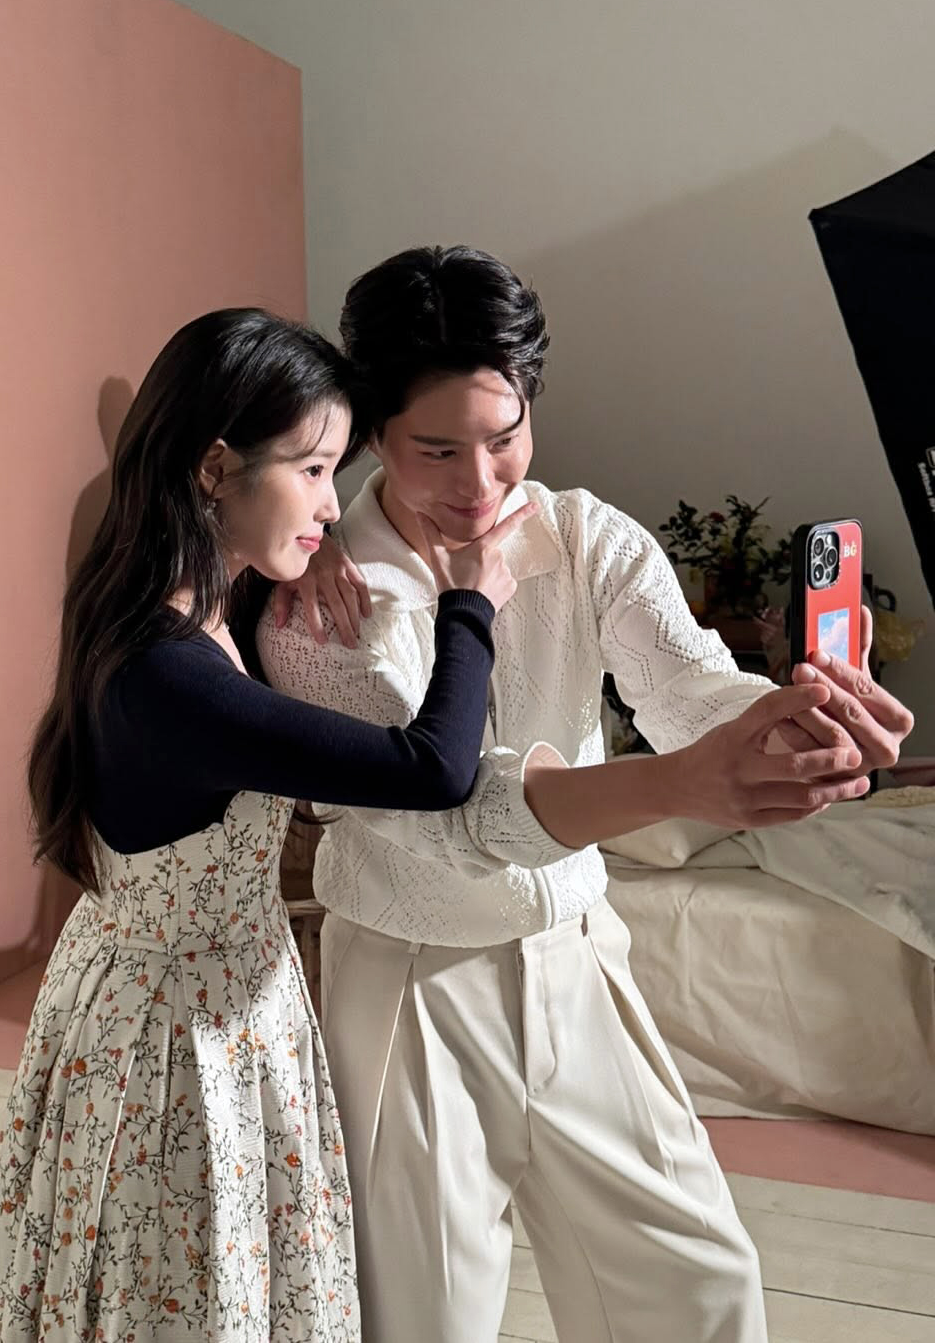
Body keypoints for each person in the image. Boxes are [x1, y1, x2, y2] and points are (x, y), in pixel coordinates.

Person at [258, 247, 915, 1343]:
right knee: (422, 1318)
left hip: (578, 960)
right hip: (412, 989)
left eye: (505, 436)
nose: (480, 483)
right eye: (437, 450)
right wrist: (681, 784)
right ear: (372, 433)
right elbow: (454, 818)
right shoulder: (318, 608)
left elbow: (689, 686)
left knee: (698, 1283)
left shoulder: (583, 535)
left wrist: (791, 723)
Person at [0, 307, 535, 1342]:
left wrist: (308, 551)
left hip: (185, 998)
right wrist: (471, 607)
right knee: (181, 1290)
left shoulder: (176, 604)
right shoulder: (172, 678)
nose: (332, 503)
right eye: (312, 472)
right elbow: (434, 769)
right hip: (178, 1039)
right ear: (216, 469)